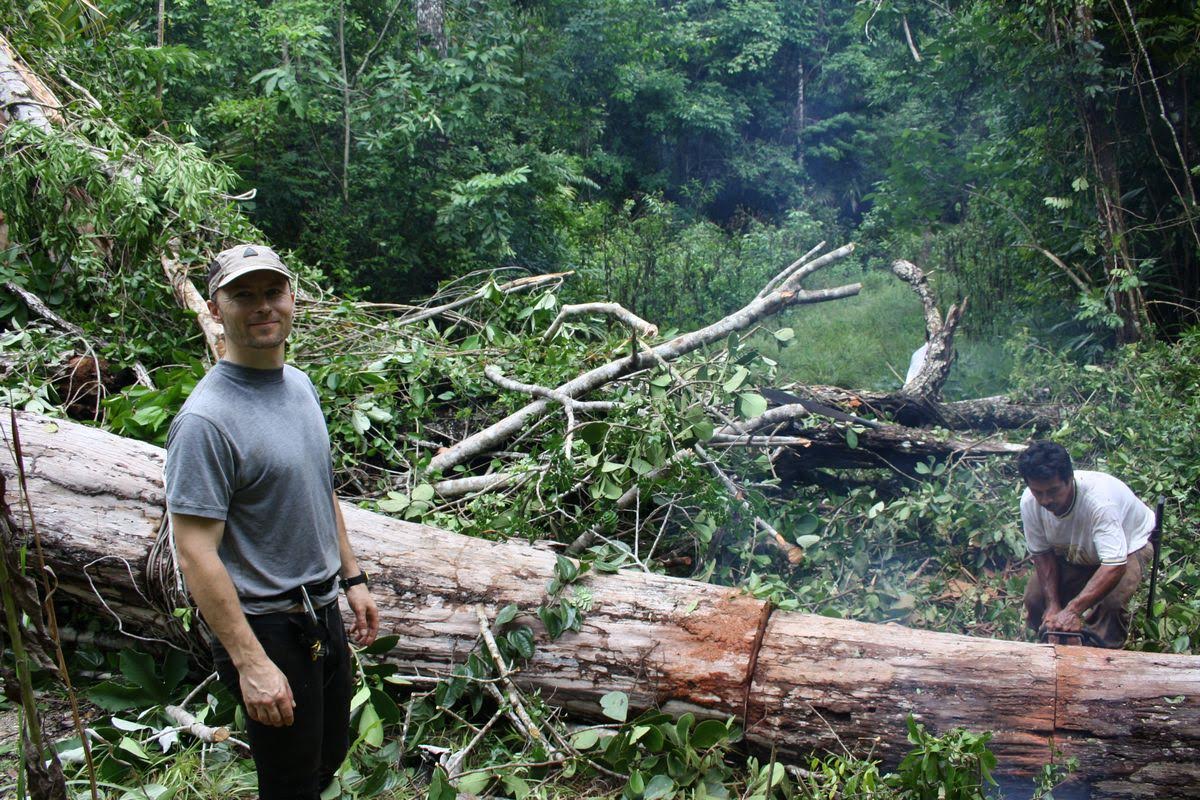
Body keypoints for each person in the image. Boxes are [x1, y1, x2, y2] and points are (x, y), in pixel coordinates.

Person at [164, 244, 379, 799]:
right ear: (215, 309)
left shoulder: (300, 386)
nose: (262, 307)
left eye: (272, 292)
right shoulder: (206, 421)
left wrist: (351, 578)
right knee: (290, 782)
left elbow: (318, 487)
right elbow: (194, 552)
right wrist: (250, 662)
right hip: (267, 627)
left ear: (291, 299)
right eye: (242, 295)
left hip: (321, 611)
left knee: (328, 754)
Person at [1017, 440, 1153, 648]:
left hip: (1128, 548)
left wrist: (1072, 611)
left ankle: (1103, 656)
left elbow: (1114, 565)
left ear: (1069, 479)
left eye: (1053, 491)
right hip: (1077, 552)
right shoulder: (1029, 502)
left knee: (1111, 605)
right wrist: (1052, 605)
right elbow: (1042, 554)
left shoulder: (1099, 503)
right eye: (1038, 492)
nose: (1045, 500)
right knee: (1035, 599)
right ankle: (1051, 644)